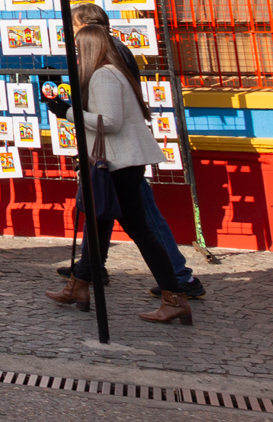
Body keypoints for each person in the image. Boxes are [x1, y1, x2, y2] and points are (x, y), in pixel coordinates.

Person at [46, 25, 194, 324]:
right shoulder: (112, 73)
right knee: (99, 227)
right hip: (116, 163)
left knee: (139, 231)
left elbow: (109, 122)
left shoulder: (104, 75)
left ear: (88, 49)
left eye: (77, 50)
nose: (75, 56)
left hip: (118, 165)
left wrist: (67, 112)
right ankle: (80, 286)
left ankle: (174, 296)